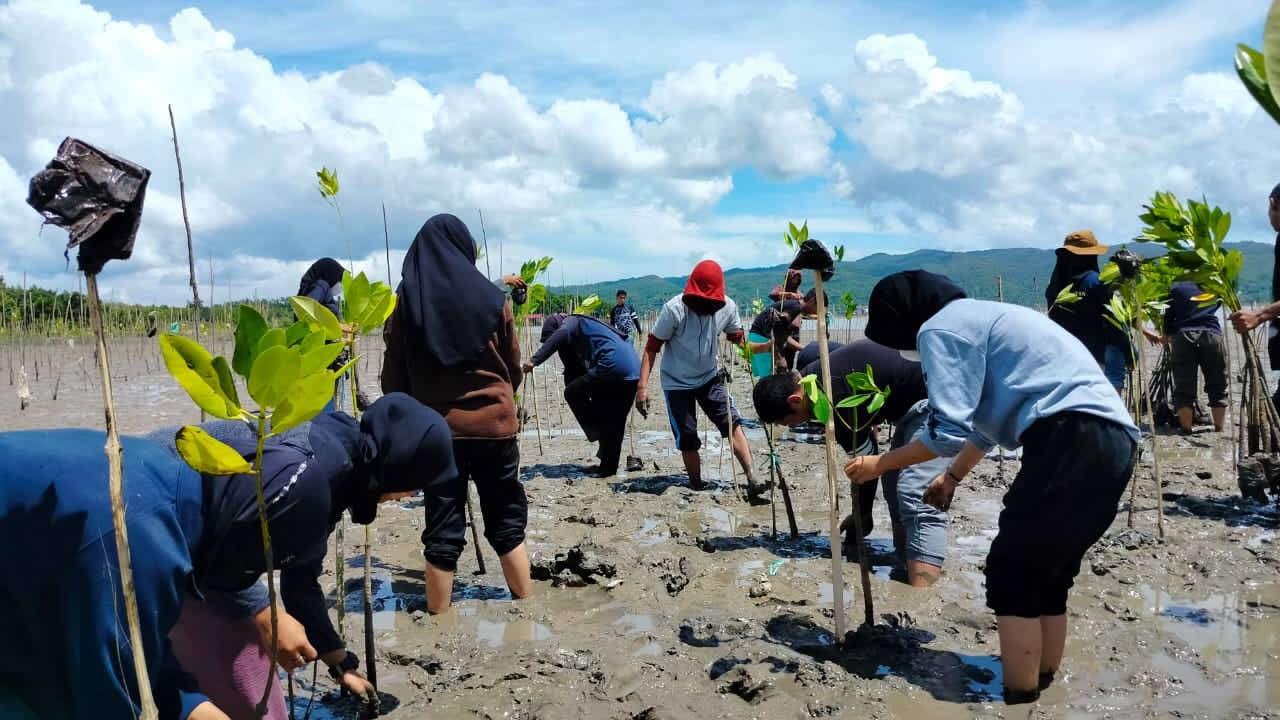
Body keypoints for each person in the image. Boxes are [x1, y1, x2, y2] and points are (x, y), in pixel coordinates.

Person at [0, 393, 454, 720]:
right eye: (415, 484)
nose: (409, 495)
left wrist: (340, 663)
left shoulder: (331, 460)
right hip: (127, 519)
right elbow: (114, 686)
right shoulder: (303, 481)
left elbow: (298, 578)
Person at [847, 270, 1138, 705]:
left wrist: (878, 464)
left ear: (902, 318)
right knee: (1049, 572)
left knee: (1012, 570)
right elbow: (983, 429)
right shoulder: (985, 317)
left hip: (1068, 432)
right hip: (1117, 438)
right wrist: (951, 478)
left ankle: (1018, 698)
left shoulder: (940, 327)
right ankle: (1042, 682)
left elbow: (945, 433)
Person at [381, 213, 532, 614]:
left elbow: (392, 382)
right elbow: (513, 367)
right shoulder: (492, 300)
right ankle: (526, 609)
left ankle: (438, 622)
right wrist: (497, 404)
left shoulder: (406, 308)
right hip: (496, 428)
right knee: (506, 522)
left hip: (438, 435)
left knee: (442, 529)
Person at [751, 339, 949, 587]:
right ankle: (905, 559)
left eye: (788, 422)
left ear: (794, 400)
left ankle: (922, 591)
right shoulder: (815, 374)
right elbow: (872, 454)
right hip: (912, 402)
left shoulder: (834, 403)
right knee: (894, 480)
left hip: (939, 396)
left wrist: (862, 516)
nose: (794, 426)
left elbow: (867, 464)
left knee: (915, 492)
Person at [637, 260, 762, 498]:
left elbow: (740, 342)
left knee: (732, 423)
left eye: (710, 303)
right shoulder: (674, 309)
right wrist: (642, 387)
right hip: (676, 382)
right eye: (699, 302)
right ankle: (696, 485)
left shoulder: (728, 307)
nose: (705, 307)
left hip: (710, 377)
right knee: (687, 436)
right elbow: (652, 347)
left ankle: (752, 477)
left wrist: (770, 346)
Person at [524, 313, 640, 476]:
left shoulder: (572, 321)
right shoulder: (592, 326)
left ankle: (598, 431)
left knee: (572, 392)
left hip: (610, 365)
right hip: (634, 369)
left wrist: (534, 360)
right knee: (616, 422)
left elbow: (562, 334)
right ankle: (608, 469)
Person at [1045, 230, 1128, 392]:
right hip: (1096, 355)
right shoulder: (1097, 283)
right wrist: (1130, 352)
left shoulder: (1056, 286)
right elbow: (1115, 322)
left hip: (1065, 355)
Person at [1154, 282, 1227, 434]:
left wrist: (1167, 335)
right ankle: (1219, 428)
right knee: (1217, 383)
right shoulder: (1213, 284)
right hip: (1212, 333)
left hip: (1184, 335)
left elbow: (1169, 315)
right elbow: (1218, 304)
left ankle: (1186, 429)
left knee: (1184, 385)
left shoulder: (1175, 288)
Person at [746, 289, 824, 377]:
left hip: (757, 337)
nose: (816, 312)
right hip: (763, 341)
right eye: (818, 308)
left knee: (768, 377)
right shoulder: (795, 307)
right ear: (812, 301)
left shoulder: (793, 305)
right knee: (766, 379)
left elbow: (784, 336)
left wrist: (805, 349)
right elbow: (779, 330)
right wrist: (779, 357)